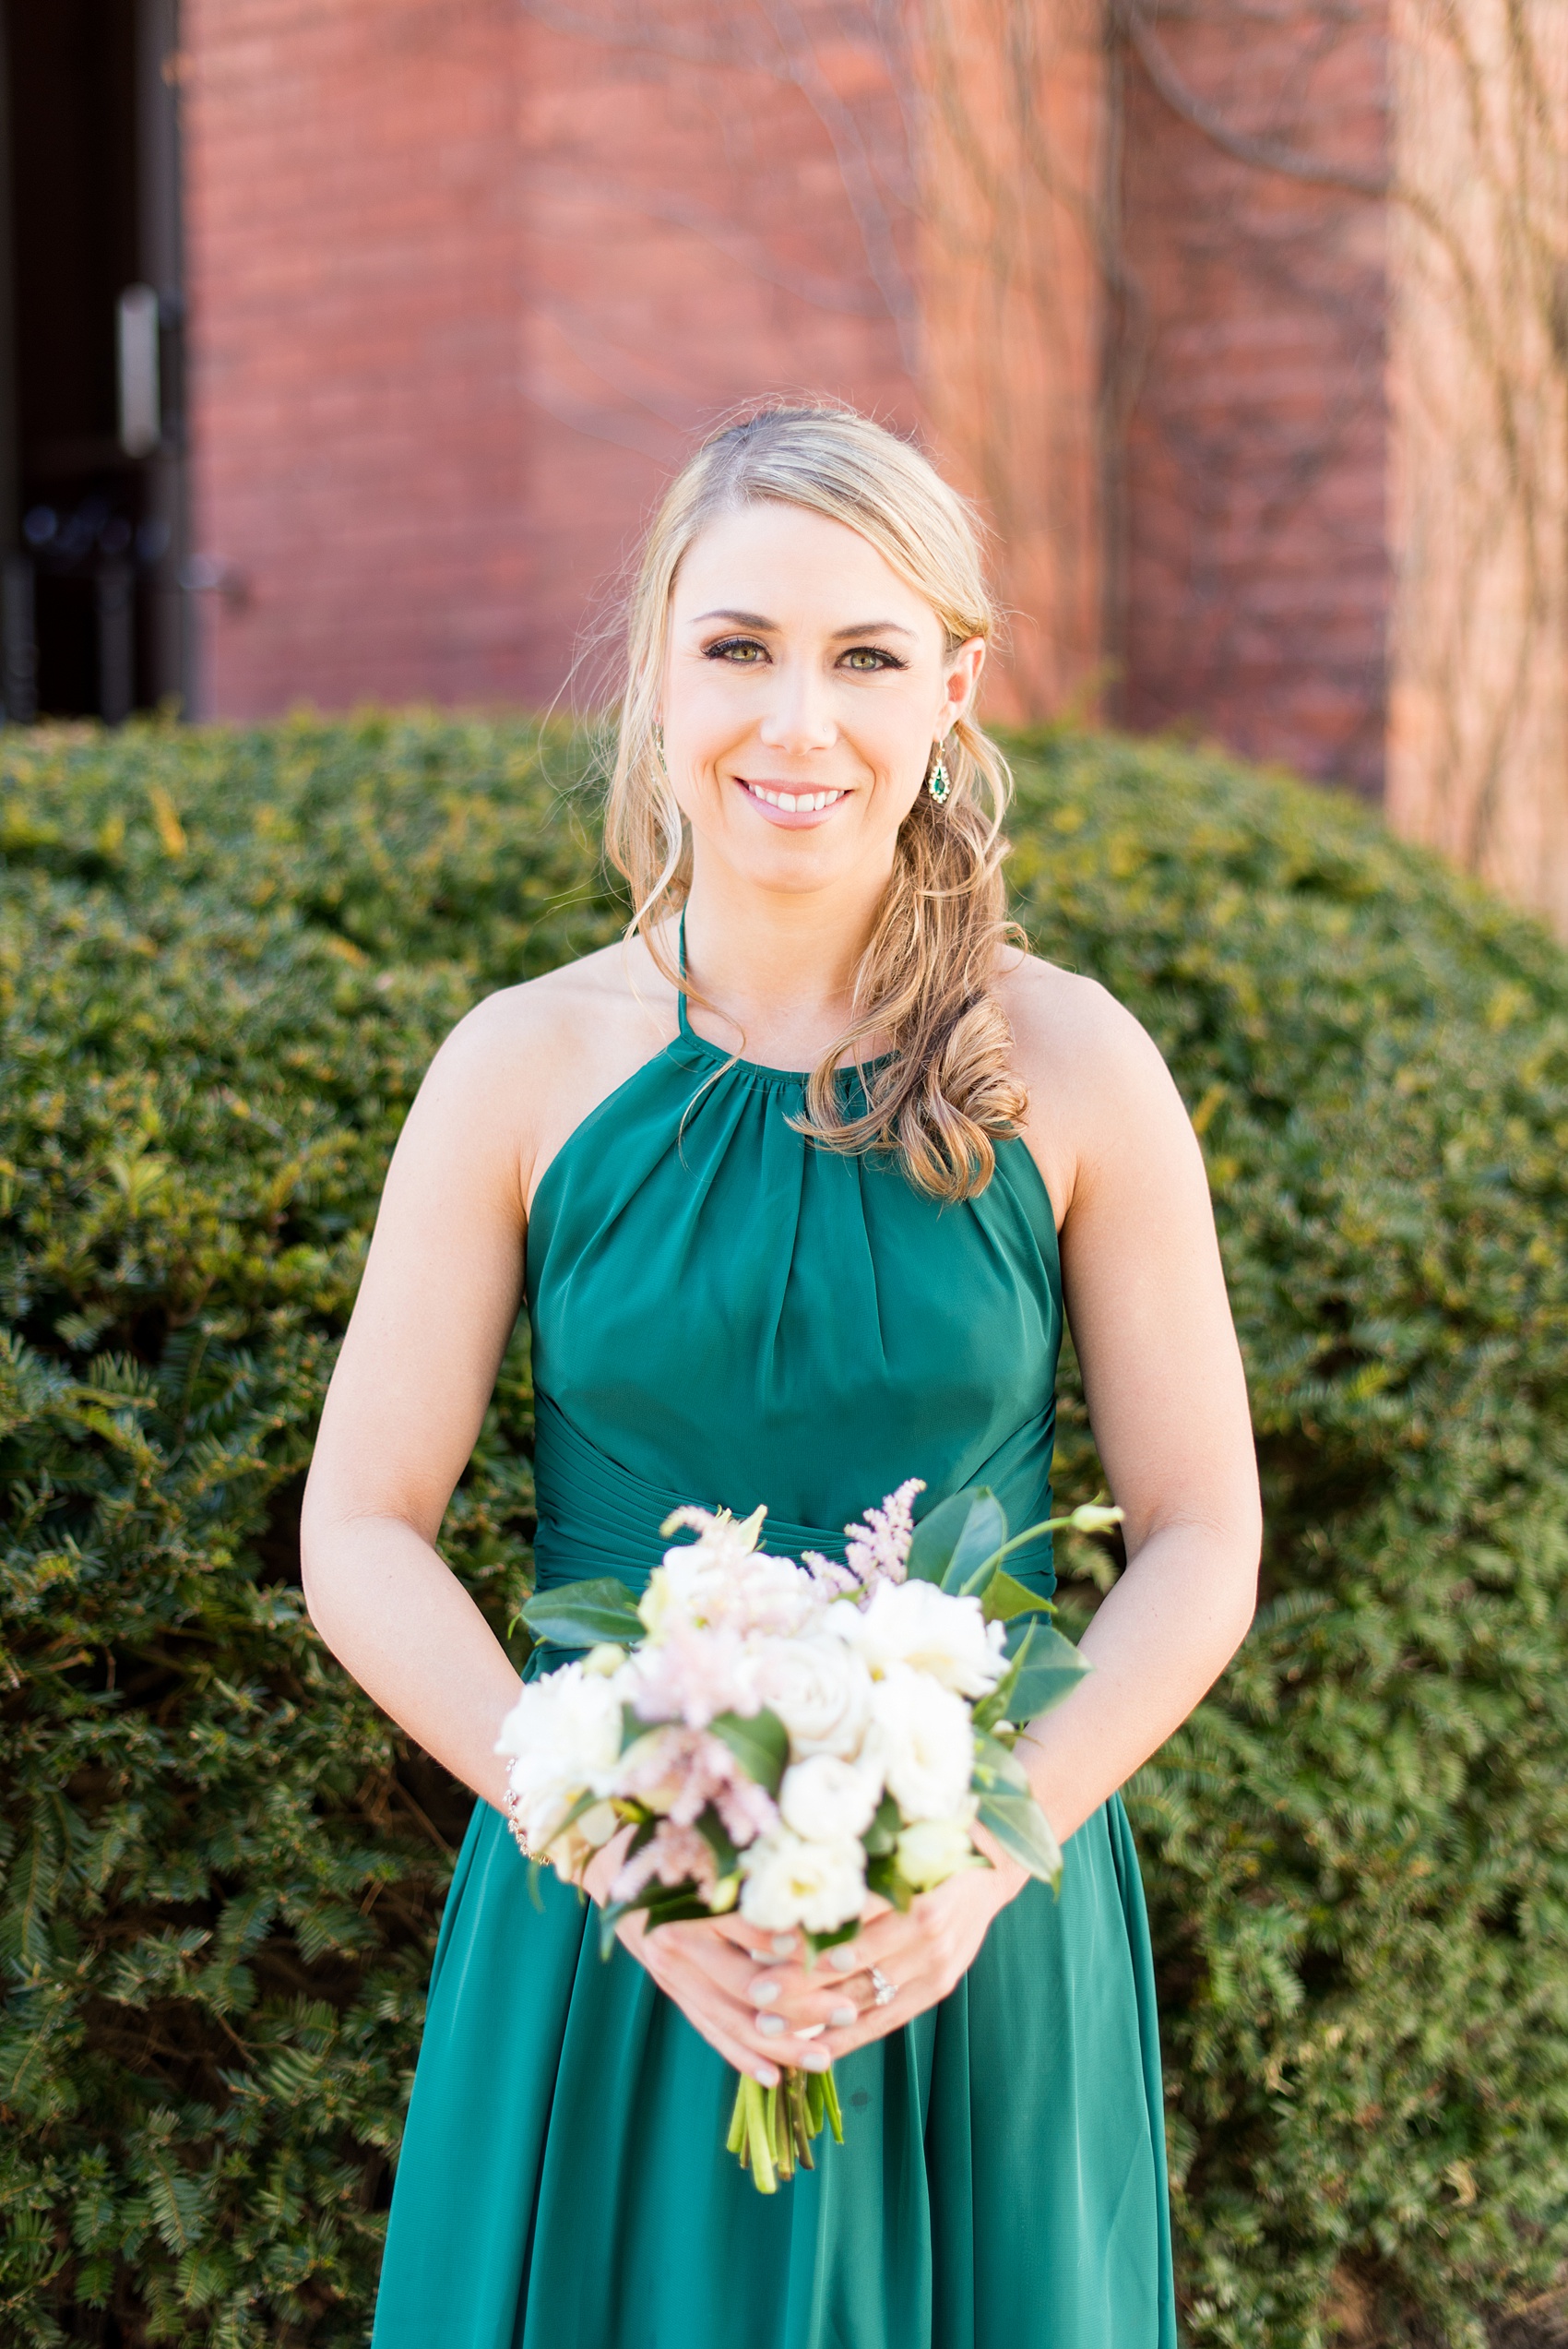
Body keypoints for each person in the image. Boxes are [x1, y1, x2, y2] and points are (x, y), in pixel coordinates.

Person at [301, 403, 1261, 2349]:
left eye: (864, 657)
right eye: (739, 648)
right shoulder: (519, 1065)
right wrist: (606, 1845)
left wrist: (991, 1848)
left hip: (975, 1941)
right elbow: (360, 1525)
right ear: (657, 665)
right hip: (609, 1942)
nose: (795, 724)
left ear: (954, 690)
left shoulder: (1072, 1068)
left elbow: (1200, 1532)